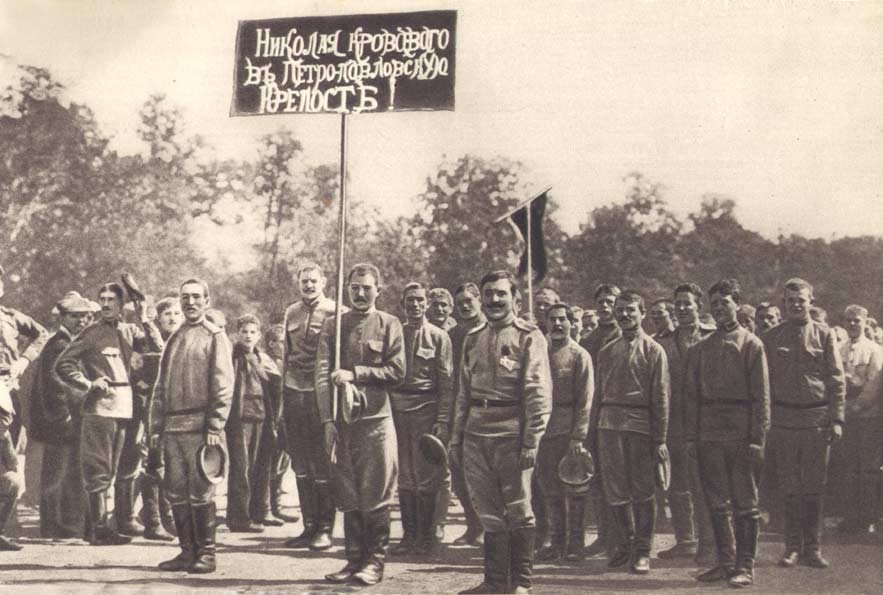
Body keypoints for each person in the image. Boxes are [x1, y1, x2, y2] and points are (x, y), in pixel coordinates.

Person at [450, 270, 551, 595]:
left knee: (519, 508)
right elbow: (463, 393)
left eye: (501, 294)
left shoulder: (529, 337)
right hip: (476, 432)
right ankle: (494, 583)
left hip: (512, 432)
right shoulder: (473, 338)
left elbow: (538, 392)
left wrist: (531, 440)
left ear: (514, 299)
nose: (494, 300)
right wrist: (457, 438)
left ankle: (521, 583)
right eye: (489, 294)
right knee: (488, 511)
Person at [55, 282, 163, 545]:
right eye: (101, 299)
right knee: (98, 469)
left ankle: (112, 523)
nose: (105, 304)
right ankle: (98, 529)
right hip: (100, 409)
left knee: (119, 468)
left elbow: (158, 350)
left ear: (121, 304)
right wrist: (87, 383)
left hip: (126, 408)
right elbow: (64, 364)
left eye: (111, 299)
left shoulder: (130, 331)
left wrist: (145, 317)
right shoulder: (92, 332)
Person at [317, 263, 405, 586]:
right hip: (343, 423)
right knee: (348, 494)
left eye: (367, 288)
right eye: (354, 287)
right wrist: (327, 420)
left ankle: (374, 562)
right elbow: (321, 375)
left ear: (378, 290)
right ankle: (353, 560)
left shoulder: (389, 324)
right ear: (347, 289)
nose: (360, 293)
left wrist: (355, 374)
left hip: (376, 422)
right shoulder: (333, 325)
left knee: (377, 493)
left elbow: (397, 371)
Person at [685, 279, 770, 587]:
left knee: (745, 502)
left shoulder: (751, 344)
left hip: (741, 432)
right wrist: (692, 437)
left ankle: (745, 565)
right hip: (709, 433)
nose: (720, 308)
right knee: (717, 503)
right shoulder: (700, 348)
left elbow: (761, 397)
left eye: (725, 302)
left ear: (737, 304)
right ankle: (724, 562)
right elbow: (691, 397)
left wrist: (757, 438)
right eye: (715, 304)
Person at [150, 278, 234, 574]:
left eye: (197, 297)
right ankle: (187, 552)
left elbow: (223, 387)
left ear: (207, 301)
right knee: (176, 492)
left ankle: (207, 554)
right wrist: (155, 428)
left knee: (200, 493)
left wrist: (214, 426)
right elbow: (160, 388)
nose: (190, 302)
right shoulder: (175, 337)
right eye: (185, 297)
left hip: (201, 430)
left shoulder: (215, 337)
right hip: (173, 429)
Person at [763, 278, 845, 569]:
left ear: (811, 301)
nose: (796, 305)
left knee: (814, 486)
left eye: (801, 300)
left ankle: (813, 548)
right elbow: (764, 383)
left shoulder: (824, 334)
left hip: (816, 420)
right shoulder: (771, 337)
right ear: (784, 303)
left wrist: (837, 418)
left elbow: (836, 379)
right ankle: (791, 547)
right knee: (788, 486)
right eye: (791, 300)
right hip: (784, 420)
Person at [589, 289, 669, 575]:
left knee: (643, 490)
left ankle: (643, 550)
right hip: (608, 425)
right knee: (615, 489)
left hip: (640, 426)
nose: (624, 315)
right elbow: (597, 395)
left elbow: (661, 398)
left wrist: (660, 439)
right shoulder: (607, 351)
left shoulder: (654, 350)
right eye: (620, 310)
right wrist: (591, 432)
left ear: (642, 314)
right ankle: (624, 544)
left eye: (630, 310)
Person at [390, 282, 453, 556]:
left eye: (419, 300)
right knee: (404, 475)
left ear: (427, 303)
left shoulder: (439, 337)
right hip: (397, 409)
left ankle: (427, 537)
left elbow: (447, 383)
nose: (415, 305)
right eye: (409, 300)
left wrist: (443, 419)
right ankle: (409, 536)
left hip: (427, 409)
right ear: (402, 304)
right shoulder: (395, 333)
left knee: (426, 475)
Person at [654, 283, 716, 565]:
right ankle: (685, 541)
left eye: (687, 303)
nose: (681, 308)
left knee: (705, 483)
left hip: (706, 422)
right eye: (677, 303)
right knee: (677, 485)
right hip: (673, 422)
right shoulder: (662, 341)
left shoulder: (712, 336)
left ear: (698, 306)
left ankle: (709, 542)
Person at [281, 263, 339, 551]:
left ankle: (325, 529)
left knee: (321, 462)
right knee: (300, 462)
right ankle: (309, 526)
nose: (309, 285)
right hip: (294, 391)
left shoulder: (335, 311)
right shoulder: (291, 312)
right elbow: (286, 355)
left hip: (320, 393)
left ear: (323, 281)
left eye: (314, 281)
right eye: (304, 281)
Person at [29, 291, 91, 539]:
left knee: (66, 472)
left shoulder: (70, 342)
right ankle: (54, 526)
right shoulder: (59, 345)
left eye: (85, 316)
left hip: (68, 418)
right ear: (63, 317)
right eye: (75, 316)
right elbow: (54, 386)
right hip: (61, 419)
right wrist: (64, 416)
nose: (81, 321)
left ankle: (64, 524)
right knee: (57, 473)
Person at [535, 303, 593, 562]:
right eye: (552, 320)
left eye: (562, 319)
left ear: (571, 323)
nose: (557, 324)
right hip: (542, 432)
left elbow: (585, 400)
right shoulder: (539, 352)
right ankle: (556, 543)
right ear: (546, 323)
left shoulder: (579, 355)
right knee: (550, 490)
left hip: (568, 432)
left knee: (575, 490)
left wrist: (578, 436)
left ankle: (575, 545)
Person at [226, 314, 281, 533]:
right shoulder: (232, 357)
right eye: (244, 332)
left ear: (258, 335)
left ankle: (261, 511)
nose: (248, 336)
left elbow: (274, 386)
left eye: (252, 332)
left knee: (262, 465)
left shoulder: (262, 358)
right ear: (237, 334)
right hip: (240, 418)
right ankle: (239, 517)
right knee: (242, 467)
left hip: (262, 416)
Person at [579, 284, 622, 559]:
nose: (605, 307)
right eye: (601, 302)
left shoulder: (624, 336)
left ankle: (622, 538)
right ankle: (604, 536)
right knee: (596, 477)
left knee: (619, 478)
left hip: (618, 414)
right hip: (592, 413)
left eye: (610, 302)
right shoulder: (588, 340)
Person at [136, 296, 181, 541]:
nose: (172, 318)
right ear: (158, 318)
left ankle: (166, 516)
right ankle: (153, 521)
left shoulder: (182, 340)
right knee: (154, 461)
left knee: (170, 463)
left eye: (176, 313)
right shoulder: (149, 343)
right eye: (167, 314)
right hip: (153, 412)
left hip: (176, 410)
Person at [836, 305, 883, 534]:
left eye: (856, 320)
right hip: (845, 413)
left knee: (868, 469)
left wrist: (857, 406)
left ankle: (868, 517)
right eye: (848, 320)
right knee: (849, 467)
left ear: (865, 322)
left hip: (867, 415)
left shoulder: (874, 349)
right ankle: (850, 516)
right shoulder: (839, 348)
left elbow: (874, 384)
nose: (852, 324)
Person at [448, 282, 486, 547]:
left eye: (468, 301)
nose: (464, 306)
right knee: (459, 470)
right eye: (459, 302)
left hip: (486, 408)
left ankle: (489, 526)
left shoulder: (490, 329)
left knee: (484, 472)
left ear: (479, 300)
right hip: (458, 408)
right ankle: (474, 525)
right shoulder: (454, 334)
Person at [0, 264, 49, 447]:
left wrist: (24, 360)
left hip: (9, 383)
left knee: (9, 441)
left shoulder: (11, 317)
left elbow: (42, 334)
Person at [256, 324, 296, 525]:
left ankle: (276, 505)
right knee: (267, 463)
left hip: (285, 419)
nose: (286, 346)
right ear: (271, 343)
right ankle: (263, 509)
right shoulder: (264, 362)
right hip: (268, 418)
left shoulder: (285, 363)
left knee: (282, 462)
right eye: (282, 342)